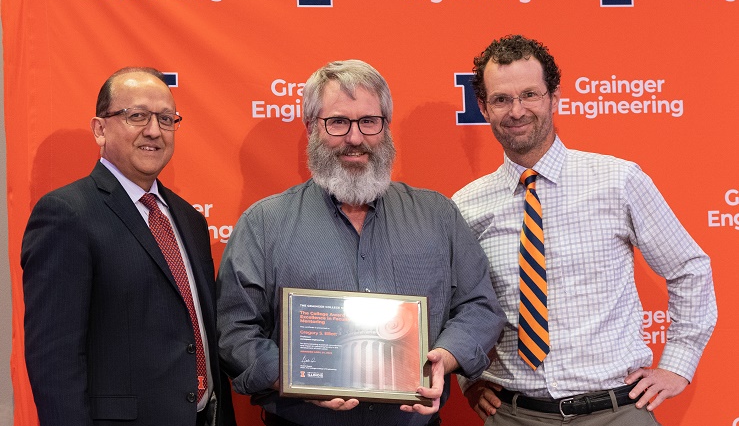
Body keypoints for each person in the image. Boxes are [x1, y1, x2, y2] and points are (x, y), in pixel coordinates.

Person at [217, 59, 506, 426]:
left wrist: (445, 358)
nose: (355, 138)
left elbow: (480, 306)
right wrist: (295, 378)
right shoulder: (263, 224)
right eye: (338, 122)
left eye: (369, 121)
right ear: (310, 128)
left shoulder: (438, 215)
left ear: (385, 127)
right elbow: (234, 330)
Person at [453, 34, 717, 425]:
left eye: (530, 94)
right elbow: (456, 304)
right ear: (483, 107)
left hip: (617, 412)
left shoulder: (618, 180)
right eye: (501, 99)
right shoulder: (465, 205)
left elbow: (689, 269)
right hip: (514, 415)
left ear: (554, 98)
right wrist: (467, 377)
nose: (517, 110)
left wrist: (677, 365)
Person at [22, 67, 234, 426]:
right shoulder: (66, 214)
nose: (154, 130)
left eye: (166, 119)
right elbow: (54, 361)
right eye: (136, 116)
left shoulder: (189, 220)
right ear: (100, 129)